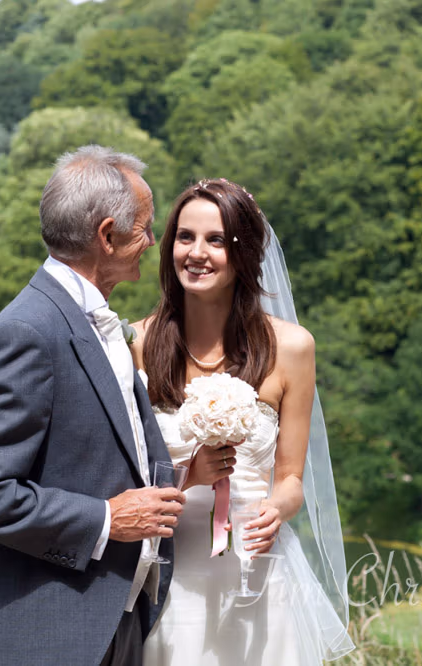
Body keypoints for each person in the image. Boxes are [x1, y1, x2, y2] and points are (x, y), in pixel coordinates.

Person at [0, 145, 185, 666]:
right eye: (144, 228)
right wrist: (103, 519)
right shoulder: (28, 331)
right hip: (40, 638)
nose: (151, 242)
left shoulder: (93, 321)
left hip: (108, 623)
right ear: (107, 234)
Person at [132, 178, 356, 665]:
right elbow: (122, 472)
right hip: (168, 569)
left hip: (254, 570)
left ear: (244, 252)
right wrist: (189, 473)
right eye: (185, 237)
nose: (197, 252)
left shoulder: (293, 348)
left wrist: (278, 508)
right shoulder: (136, 344)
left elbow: (292, 477)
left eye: (216, 240)